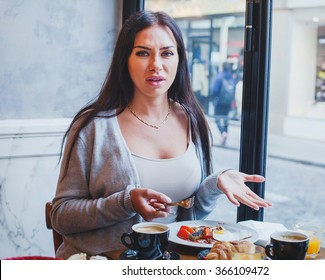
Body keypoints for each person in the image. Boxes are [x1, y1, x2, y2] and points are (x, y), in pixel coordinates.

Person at [50, 10, 272, 259]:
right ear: (125, 59)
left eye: (167, 53)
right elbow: (61, 216)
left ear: (179, 60)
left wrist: (217, 182)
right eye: (143, 53)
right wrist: (126, 202)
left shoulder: (192, 120)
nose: (156, 64)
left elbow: (190, 218)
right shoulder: (93, 126)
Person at [212, 62, 236, 145]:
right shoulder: (232, 78)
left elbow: (214, 90)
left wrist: (215, 98)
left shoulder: (219, 77)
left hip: (219, 102)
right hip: (228, 102)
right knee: (226, 119)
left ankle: (223, 133)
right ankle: (225, 133)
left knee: (217, 118)